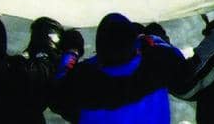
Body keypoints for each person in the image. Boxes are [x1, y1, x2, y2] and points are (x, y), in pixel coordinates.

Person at [51, 12, 185, 123]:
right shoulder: (158, 64)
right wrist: (153, 37)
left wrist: (72, 50)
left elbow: (57, 93)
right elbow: (174, 58)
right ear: (136, 48)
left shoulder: (82, 82)